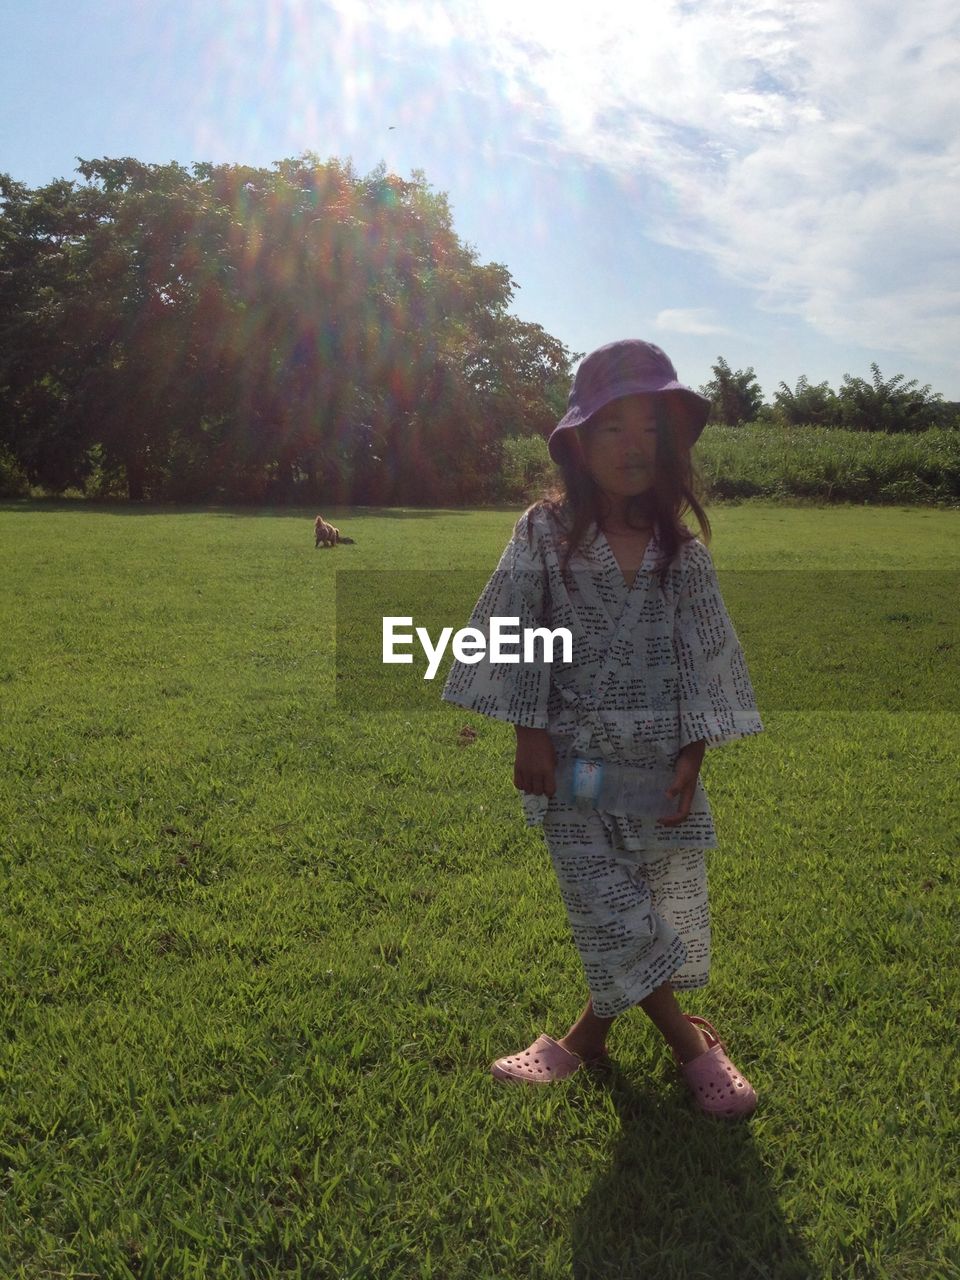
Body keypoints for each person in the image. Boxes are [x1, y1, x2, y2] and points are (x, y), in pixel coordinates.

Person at [441, 339, 764, 1118]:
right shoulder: (544, 535)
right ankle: (694, 1048)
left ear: (671, 444)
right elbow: (511, 632)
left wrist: (695, 756)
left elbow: (704, 662)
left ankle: (587, 1039)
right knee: (606, 905)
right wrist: (528, 732)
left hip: (656, 773)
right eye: (612, 427)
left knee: (643, 908)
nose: (633, 445)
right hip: (574, 770)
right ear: (579, 443)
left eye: (650, 427)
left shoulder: (681, 558)